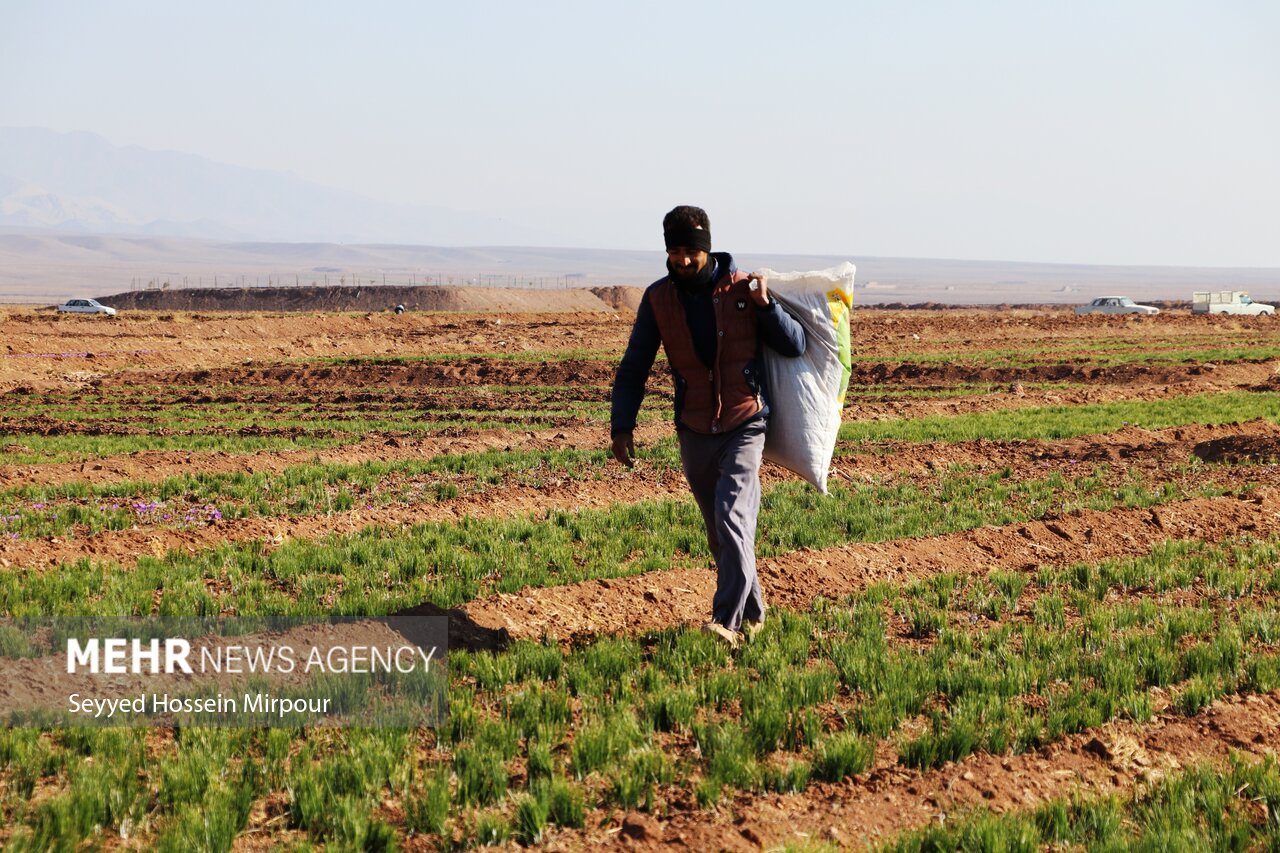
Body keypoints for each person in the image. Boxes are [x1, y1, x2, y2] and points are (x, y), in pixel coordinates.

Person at [610, 205, 807, 647]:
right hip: (694, 429)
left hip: (744, 422)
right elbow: (634, 366)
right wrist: (622, 425)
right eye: (674, 251)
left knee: (732, 517)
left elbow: (794, 346)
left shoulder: (743, 289)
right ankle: (754, 615)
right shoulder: (658, 299)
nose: (681, 260)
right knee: (720, 533)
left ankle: (727, 624)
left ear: (706, 249)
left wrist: (766, 306)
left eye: (689, 252)